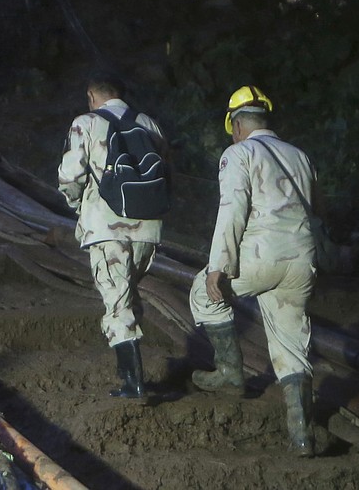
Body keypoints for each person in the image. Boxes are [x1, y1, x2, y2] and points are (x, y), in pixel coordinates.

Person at [188, 85, 317, 456]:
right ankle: (302, 434)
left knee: (203, 292)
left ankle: (230, 374)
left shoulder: (238, 153)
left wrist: (218, 267)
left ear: (236, 125)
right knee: (291, 341)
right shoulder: (299, 155)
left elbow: (232, 209)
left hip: (261, 254)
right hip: (302, 258)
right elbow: (315, 205)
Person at [57, 75, 167, 399]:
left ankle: (133, 384)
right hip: (149, 230)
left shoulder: (86, 123)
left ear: (92, 95)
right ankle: (131, 375)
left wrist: (77, 203)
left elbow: (70, 175)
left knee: (117, 302)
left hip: (107, 229)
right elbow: (165, 173)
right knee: (128, 295)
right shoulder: (150, 124)